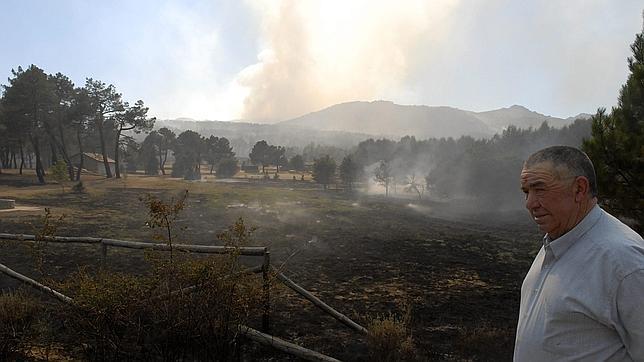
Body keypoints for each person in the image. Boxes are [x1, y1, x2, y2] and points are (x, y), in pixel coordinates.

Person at [514, 145, 644, 361]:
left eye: (540, 189)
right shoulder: (558, 239)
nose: (530, 204)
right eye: (527, 192)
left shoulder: (624, 262)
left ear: (579, 189)